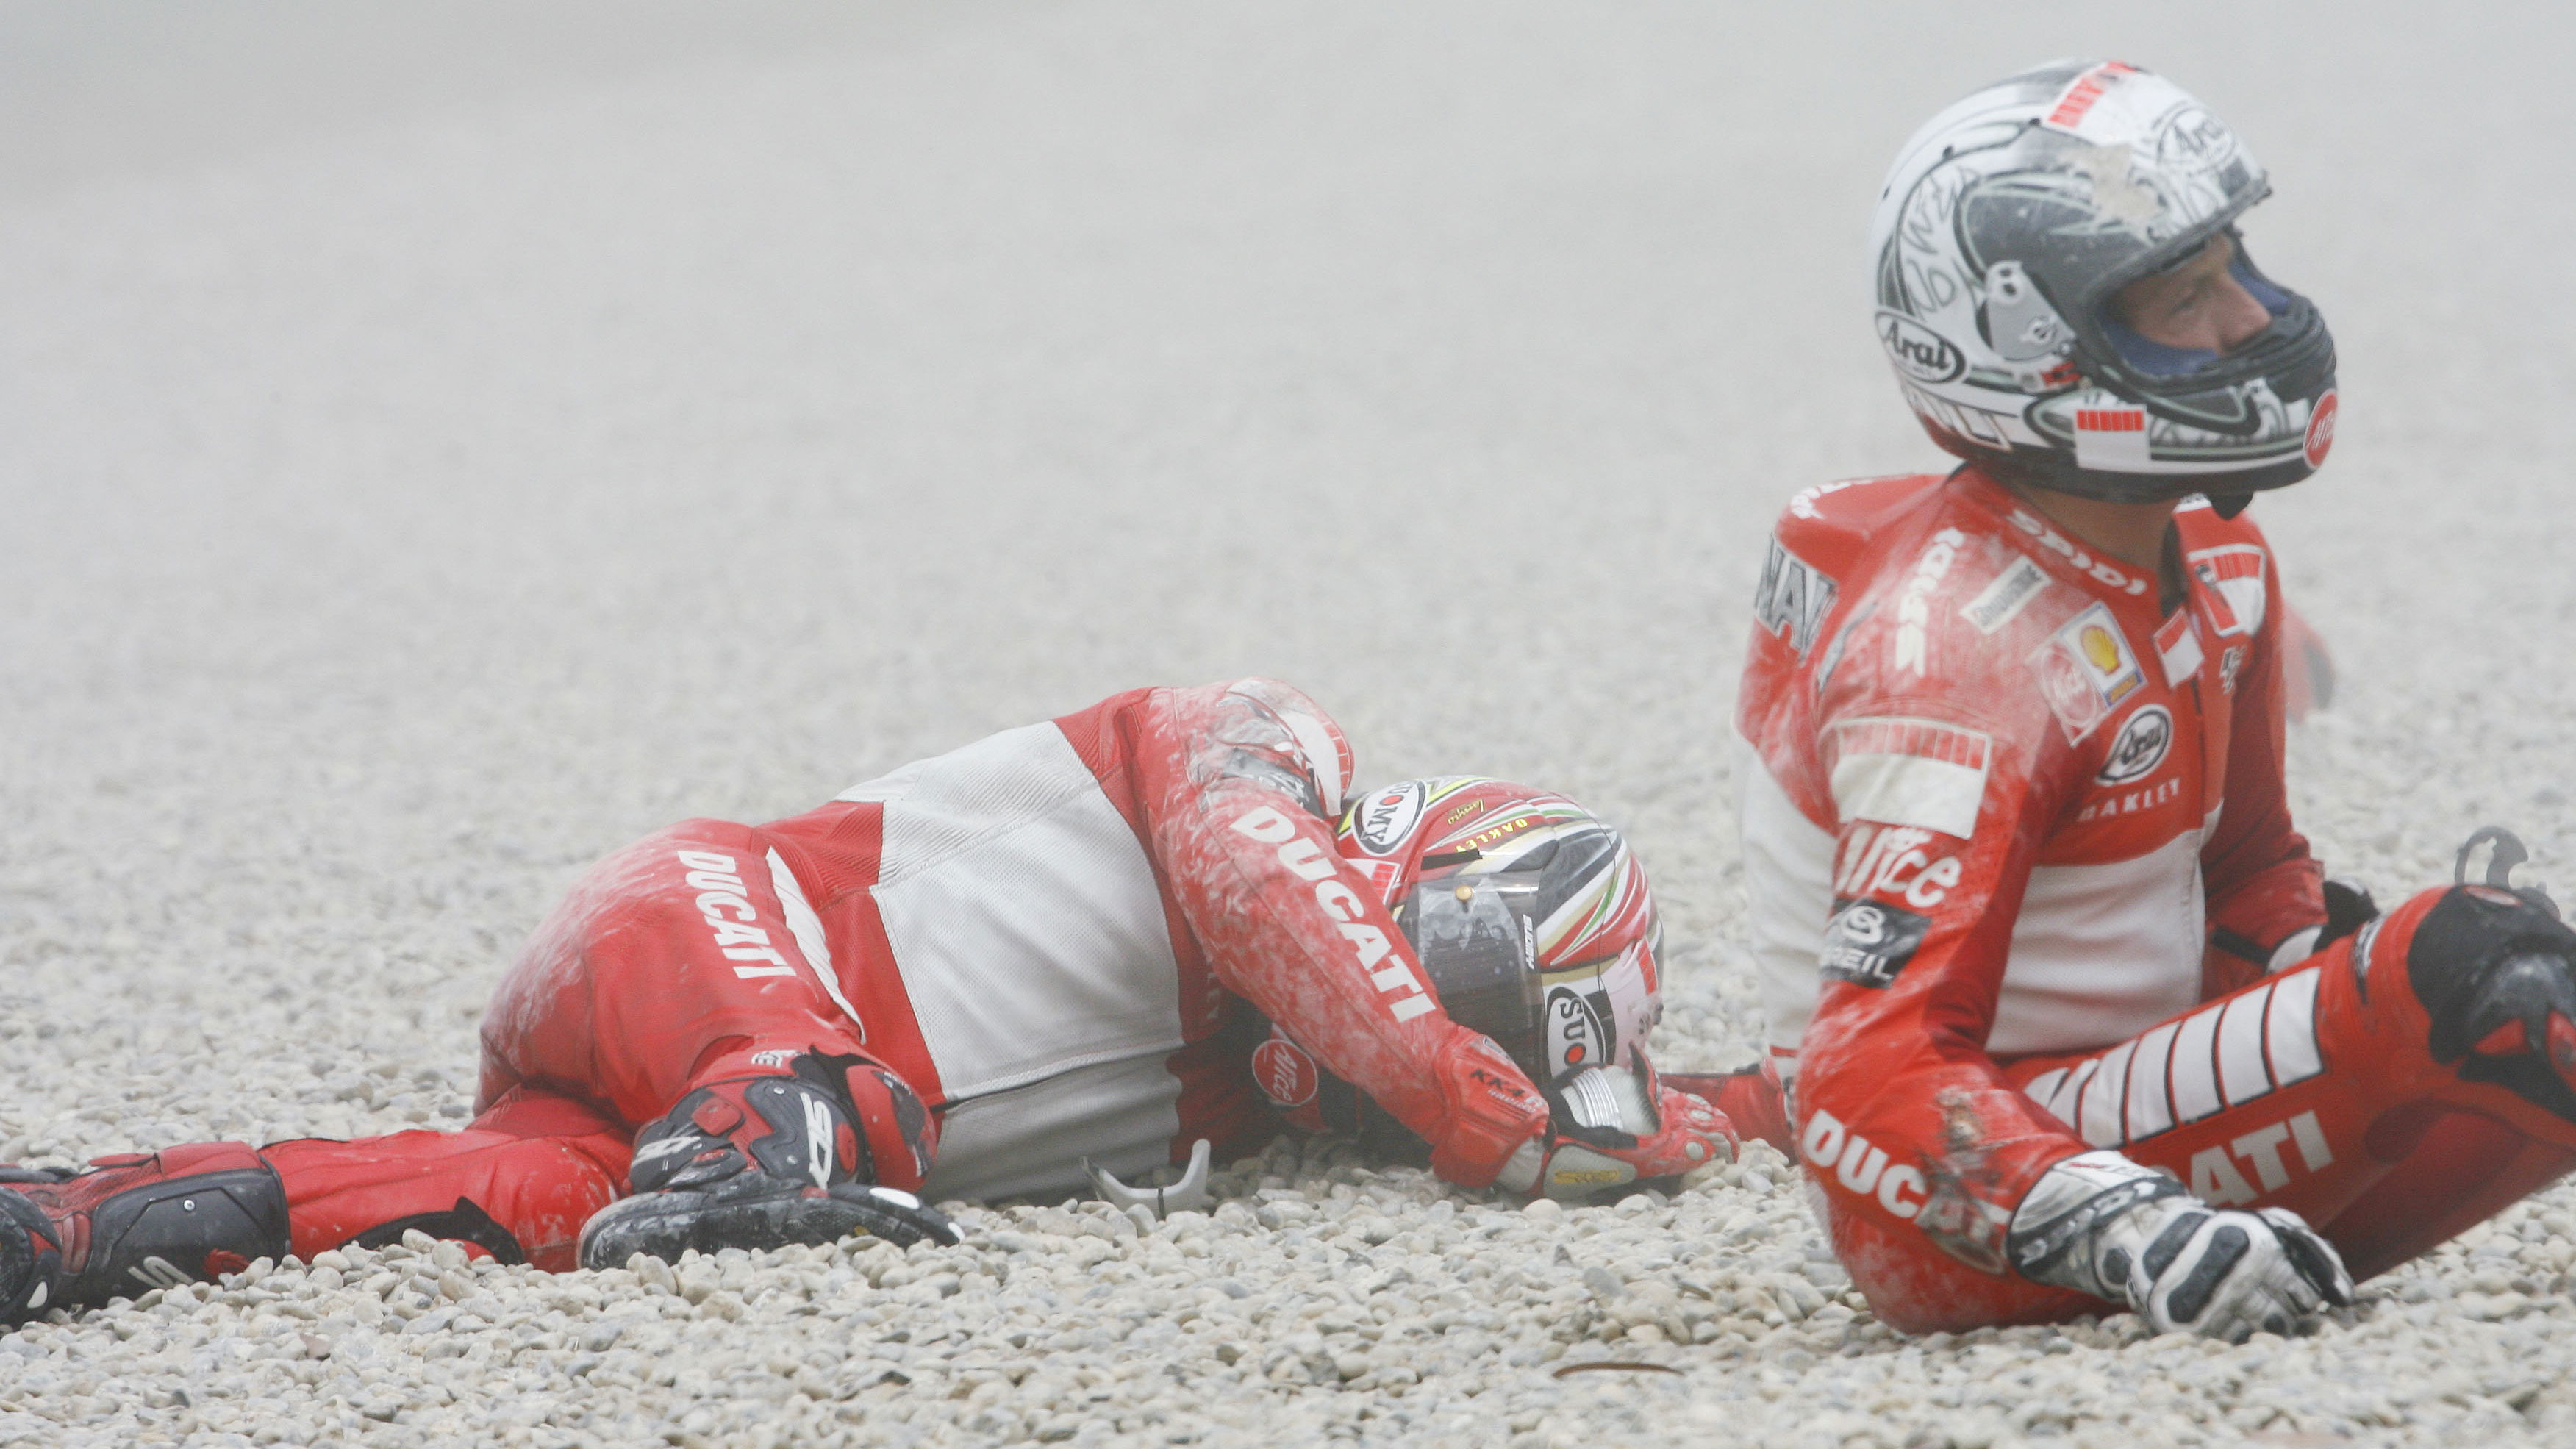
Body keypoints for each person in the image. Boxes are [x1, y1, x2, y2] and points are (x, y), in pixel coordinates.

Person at [0, 679, 1734, 1325]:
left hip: (676, 1080)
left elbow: (1726, 1097)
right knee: (805, 1116)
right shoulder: (1264, 749)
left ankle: (71, 1221)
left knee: (524, 1202)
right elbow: (1257, 879)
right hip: (698, 934)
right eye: (1472, 978)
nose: (1439, 1032)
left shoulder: (1278, 1083)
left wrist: (1730, 1108)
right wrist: (1443, 1072)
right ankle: (750, 1147)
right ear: (1428, 861)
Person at [1731, 59, 2576, 1342]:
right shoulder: (1957, 654)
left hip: (2133, 1099)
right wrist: (2128, 1227)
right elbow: (1865, 1069)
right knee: (2483, 978)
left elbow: (2247, 872)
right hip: (1955, 1199)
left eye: (2237, 262)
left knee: (2518, 985)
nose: (2253, 320)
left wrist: (2305, 965)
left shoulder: (2223, 563)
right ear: (2037, 355)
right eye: (2186, 292)